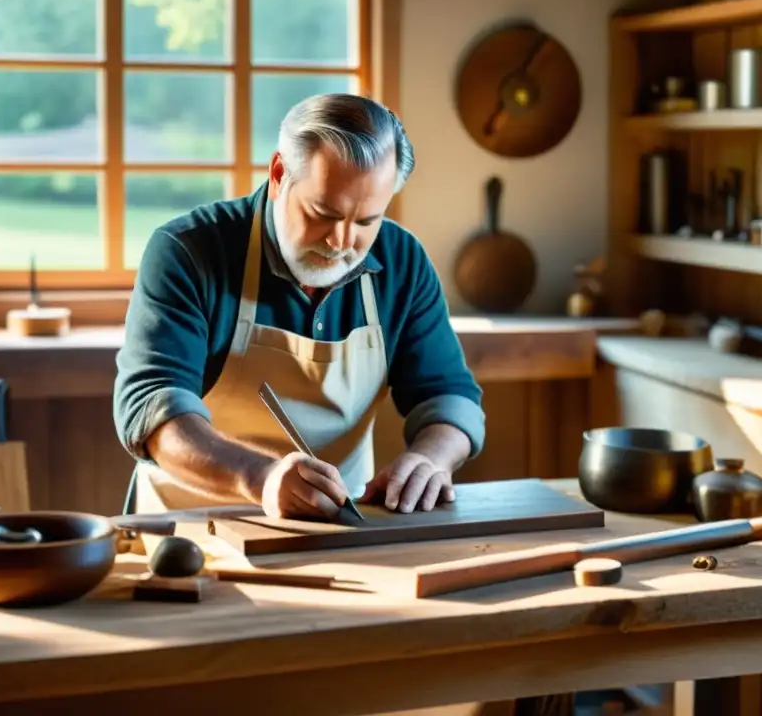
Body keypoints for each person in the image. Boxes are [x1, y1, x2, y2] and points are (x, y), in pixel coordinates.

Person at [113, 93, 485, 520]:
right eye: (323, 213)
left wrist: (432, 458)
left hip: (336, 528)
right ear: (278, 174)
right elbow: (154, 411)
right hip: (187, 531)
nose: (342, 243)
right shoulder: (188, 252)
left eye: (366, 221)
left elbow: (450, 397)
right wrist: (261, 478)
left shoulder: (403, 262)